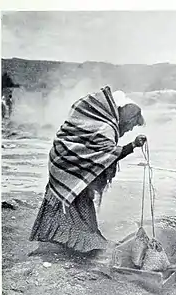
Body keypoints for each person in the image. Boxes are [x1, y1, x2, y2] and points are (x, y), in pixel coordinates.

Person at [29, 86, 147, 253]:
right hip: (68, 167)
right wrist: (132, 145)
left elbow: (96, 152)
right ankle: (76, 245)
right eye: (130, 126)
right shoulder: (105, 128)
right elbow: (107, 155)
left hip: (63, 163)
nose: (129, 130)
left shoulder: (99, 122)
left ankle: (61, 242)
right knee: (72, 207)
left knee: (78, 208)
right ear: (126, 120)